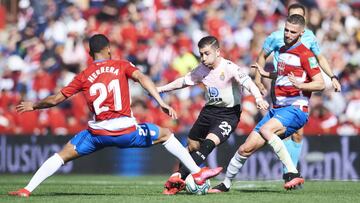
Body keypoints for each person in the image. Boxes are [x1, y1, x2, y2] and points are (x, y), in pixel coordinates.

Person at [8, 34, 222, 197]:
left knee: (61, 155)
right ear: (108, 50)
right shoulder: (121, 65)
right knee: (166, 134)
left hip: (97, 133)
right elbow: (142, 78)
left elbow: (55, 100)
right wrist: (161, 101)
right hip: (126, 130)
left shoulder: (83, 76)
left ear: (90, 54)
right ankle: (196, 172)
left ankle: (27, 189)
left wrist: (34, 106)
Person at [209, 14, 325, 192]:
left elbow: (320, 83)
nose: (287, 34)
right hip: (277, 109)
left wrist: (301, 85)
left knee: (266, 129)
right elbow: (284, 76)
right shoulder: (283, 50)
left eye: (292, 32)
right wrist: (265, 74)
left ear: (301, 34)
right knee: (245, 149)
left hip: (296, 108)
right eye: (286, 30)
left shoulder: (305, 54)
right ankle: (225, 184)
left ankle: (292, 173)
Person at [157, 35, 269, 195]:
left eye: (207, 53)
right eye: (201, 54)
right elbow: (183, 81)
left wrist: (258, 97)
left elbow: (248, 82)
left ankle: (178, 178)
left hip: (229, 114)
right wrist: (160, 89)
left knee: (208, 144)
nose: (203, 58)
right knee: (192, 146)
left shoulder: (229, 67)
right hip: (208, 111)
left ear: (218, 52)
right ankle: (180, 177)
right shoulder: (201, 70)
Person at [254, 3, 341, 184]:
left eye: (298, 16)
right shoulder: (277, 36)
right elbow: (262, 56)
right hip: (281, 86)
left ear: (303, 20)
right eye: (292, 15)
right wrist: (257, 79)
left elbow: (319, 58)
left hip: (302, 86)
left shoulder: (309, 36)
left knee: (298, 133)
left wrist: (332, 76)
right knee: (283, 130)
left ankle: (290, 172)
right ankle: (290, 172)